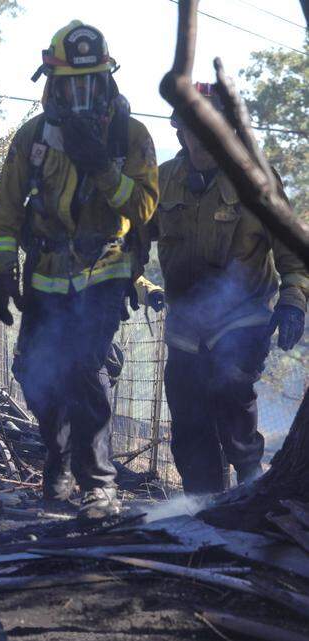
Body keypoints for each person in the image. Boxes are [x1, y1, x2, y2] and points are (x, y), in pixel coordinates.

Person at [0, 21, 160, 519]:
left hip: (103, 269)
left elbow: (145, 206)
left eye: (92, 83)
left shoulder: (131, 136)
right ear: (53, 84)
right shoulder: (33, 139)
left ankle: (99, 486)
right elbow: (5, 214)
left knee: (84, 367)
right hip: (45, 275)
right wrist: (1, 271)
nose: (82, 95)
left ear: (106, 81)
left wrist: (103, 167)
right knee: (35, 374)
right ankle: (58, 457)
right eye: (72, 84)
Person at [142, 82, 307, 494]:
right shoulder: (163, 181)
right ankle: (203, 507)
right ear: (180, 130)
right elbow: (128, 245)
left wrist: (293, 301)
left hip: (244, 314)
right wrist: (137, 286)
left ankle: (250, 485)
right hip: (185, 322)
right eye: (196, 127)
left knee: (231, 391)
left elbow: (292, 251)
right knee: (188, 418)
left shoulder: (257, 180)